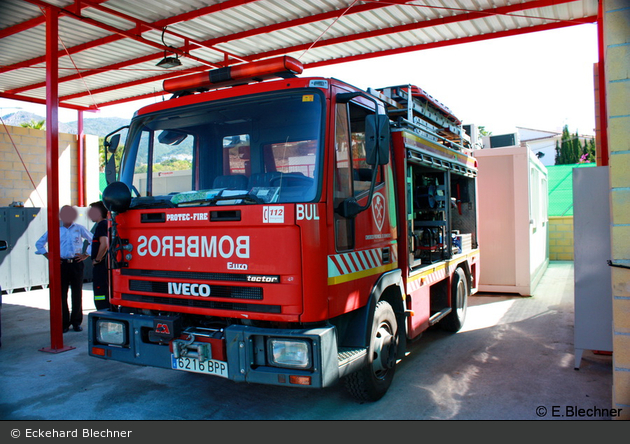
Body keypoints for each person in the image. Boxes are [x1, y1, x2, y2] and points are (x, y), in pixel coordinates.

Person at [35, 205, 92, 333]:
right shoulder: (55, 229)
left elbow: (93, 239)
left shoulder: (79, 228)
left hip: (76, 264)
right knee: (61, 295)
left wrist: (86, 254)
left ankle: (76, 322)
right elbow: (39, 243)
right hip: (61, 264)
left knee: (77, 294)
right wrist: (47, 255)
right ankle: (64, 323)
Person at [88, 201, 110, 311]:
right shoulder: (104, 225)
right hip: (103, 266)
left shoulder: (102, 225)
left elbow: (104, 243)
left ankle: (102, 311)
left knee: (100, 292)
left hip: (101, 267)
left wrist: (97, 259)